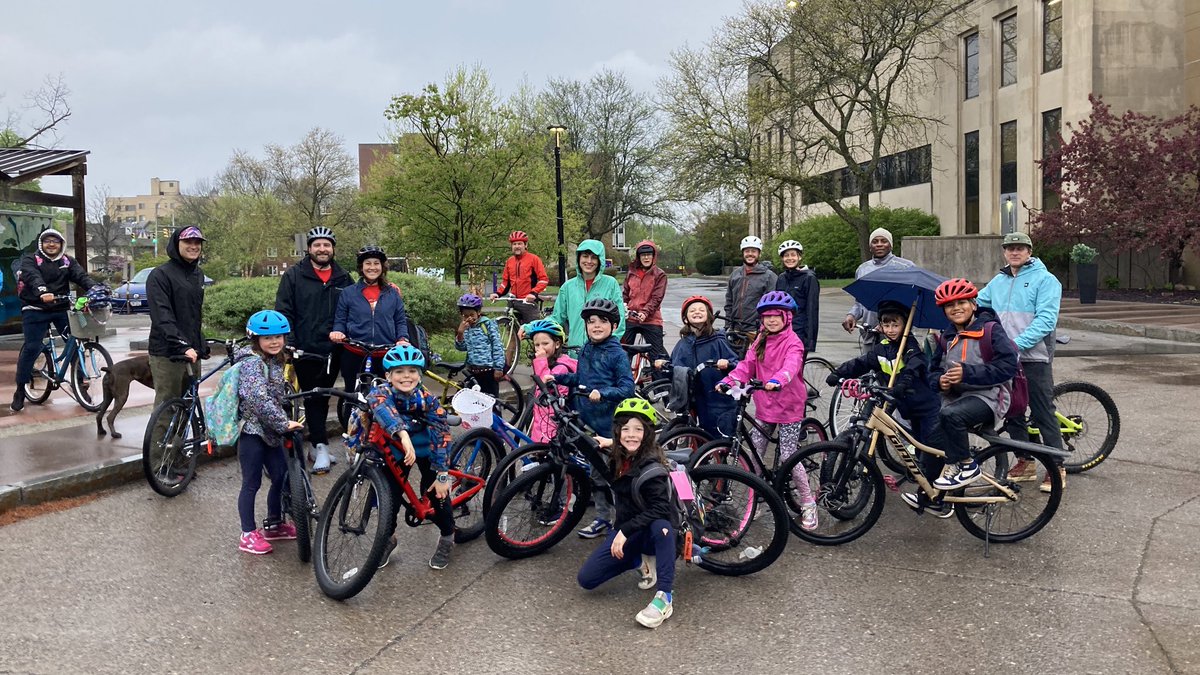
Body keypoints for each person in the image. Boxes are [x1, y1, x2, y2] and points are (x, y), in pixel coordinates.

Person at [826, 301, 949, 517]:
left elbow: (915, 365)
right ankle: (920, 471)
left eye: (896, 325)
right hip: (903, 405)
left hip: (925, 405)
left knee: (930, 448)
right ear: (880, 326)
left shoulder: (910, 346)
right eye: (886, 325)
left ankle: (938, 494)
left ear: (905, 326)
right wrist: (839, 372)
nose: (891, 329)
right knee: (916, 443)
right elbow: (862, 362)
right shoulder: (881, 348)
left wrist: (903, 383)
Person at [719, 291, 818, 530]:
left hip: (789, 405)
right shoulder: (760, 340)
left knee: (788, 456)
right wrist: (730, 380)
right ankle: (757, 500)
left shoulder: (793, 341)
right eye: (766, 317)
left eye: (776, 316)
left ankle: (807, 502)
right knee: (753, 454)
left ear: (787, 317)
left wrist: (778, 379)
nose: (771, 320)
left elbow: (791, 365)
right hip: (766, 404)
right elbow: (747, 365)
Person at [977, 231, 1066, 493]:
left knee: (1041, 411)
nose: (1014, 252)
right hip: (1005, 359)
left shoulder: (1046, 280)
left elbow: (1046, 321)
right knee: (1013, 410)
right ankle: (1024, 462)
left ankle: (1057, 466)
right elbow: (976, 304)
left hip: (1034, 357)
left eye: (1020, 248)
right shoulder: (998, 281)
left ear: (1029, 251)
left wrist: (1016, 345)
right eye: (1010, 248)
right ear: (1004, 252)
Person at [577, 398, 678, 629]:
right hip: (630, 531)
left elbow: (661, 508)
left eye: (638, 429)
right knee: (587, 579)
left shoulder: (653, 469)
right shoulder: (620, 455)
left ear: (648, 434)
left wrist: (623, 531)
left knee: (661, 526)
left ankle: (664, 597)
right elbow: (624, 445)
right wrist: (606, 443)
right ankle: (638, 559)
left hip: (651, 530)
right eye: (625, 429)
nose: (631, 435)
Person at [543, 298, 635, 539]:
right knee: (597, 474)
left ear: (614, 326)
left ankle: (620, 522)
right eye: (591, 321)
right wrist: (559, 379)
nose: (596, 326)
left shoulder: (617, 354)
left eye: (603, 321)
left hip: (609, 426)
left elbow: (627, 388)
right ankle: (604, 518)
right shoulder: (586, 349)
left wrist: (603, 393)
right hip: (587, 421)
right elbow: (581, 379)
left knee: (610, 476)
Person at [368, 344, 456, 570]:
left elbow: (442, 435)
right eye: (399, 371)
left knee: (435, 492)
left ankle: (447, 537)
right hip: (400, 450)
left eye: (412, 371)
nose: (406, 376)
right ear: (388, 375)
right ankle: (388, 539)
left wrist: (442, 474)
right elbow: (377, 401)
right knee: (390, 498)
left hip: (428, 450)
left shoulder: (428, 400)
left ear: (420, 375)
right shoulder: (383, 392)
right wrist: (402, 433)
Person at [927, 278, 1020, 491]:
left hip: (990, 397)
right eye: (950, 305)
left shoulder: (990, 330)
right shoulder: (946, 337)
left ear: (974, 305)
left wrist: (968, 373)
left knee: (951, 415)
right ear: (944, 311)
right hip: (956, 399)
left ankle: (968, 466)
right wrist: (940, 381)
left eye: (962, 302)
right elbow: (933, 372)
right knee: (931, 444)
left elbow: (1008, 366)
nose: (956, 308)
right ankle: (932, 497)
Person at [275, 226, 354, 473]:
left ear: (333, 248)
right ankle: (319, 445)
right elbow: (284, 310)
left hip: (336, 347)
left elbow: (355, 306)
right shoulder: (294, 276)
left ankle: (320, 444)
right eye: (317, 245)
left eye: (327, 245)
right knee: (313, 396)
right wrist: (291, 341)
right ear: (309, 248)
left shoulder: (343, 277)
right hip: (306, 347)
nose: (322, 249)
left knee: (328, 396)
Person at [328, 245, 410, 469]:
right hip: (356, 352)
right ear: (361, 268)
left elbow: (400, 320)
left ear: (382, 267)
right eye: (368, 264)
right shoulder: (349, 293)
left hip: (385, 353)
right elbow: (340, 319)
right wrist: (338, 332)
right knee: (353, 399)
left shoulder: (392, 293)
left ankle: (385, 440)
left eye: (376, 263)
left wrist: (402, 337)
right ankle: (353, 441)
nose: (372, 267)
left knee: (386, 398)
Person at [233, 310, 306, 555]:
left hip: (271, 432)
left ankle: (274, 524)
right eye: (268, 338)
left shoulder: (274, 361)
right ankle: (247, 534)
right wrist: (283, 424)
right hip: (253, 433)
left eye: (279, 337)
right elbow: (258, 400)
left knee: (281, 475)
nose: (274, 342)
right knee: (251, 482)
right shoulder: (252, 363)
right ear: (256, 340)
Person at [11, 229, 102, 412]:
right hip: (35, 308)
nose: (51, 244)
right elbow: (31, 276)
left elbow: (81, 276)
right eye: (47, 241)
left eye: (56, 241)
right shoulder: (31, 260)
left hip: (61, 308)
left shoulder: (67, 261)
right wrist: (42, 291)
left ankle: (79, 386)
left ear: (61, 244)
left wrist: (96, 289)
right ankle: (20, 389)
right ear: (41, 244)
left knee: (76, 342)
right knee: (32, 347)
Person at [146, 227, 209, 437]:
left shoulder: (197, 275)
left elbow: (192, 315)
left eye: (197, 242)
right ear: (176, 244)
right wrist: (181, 344)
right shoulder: (160, 275)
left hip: (191, 352)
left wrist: (200, 343)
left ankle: (178, 459)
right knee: (167, 407)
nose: (193, 246)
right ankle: (158, 465)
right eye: (188, 242)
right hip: (167, 352)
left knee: (187, 408)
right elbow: (162, 315)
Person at [655, 295, 739, 438]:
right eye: (692, 310)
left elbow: (737, 364)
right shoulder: (684, 343)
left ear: (709, 316)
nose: (697, 312)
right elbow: (674, 368)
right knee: (696, 433)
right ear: (686, 318)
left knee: (719, 433)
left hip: (716, 397)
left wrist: (727, 363)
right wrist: (664, 364)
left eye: (701, 310)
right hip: (693, 397)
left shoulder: (719, 340)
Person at [543, 239, 626, 353]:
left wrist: (610, 345)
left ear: (599, 260)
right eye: (585, 256)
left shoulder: (610, 284)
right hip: (575, 353)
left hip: (602, 354)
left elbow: (619, 319)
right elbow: (557, 318)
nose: (589, 261)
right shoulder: (568, 287)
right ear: (579, 258)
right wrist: (531, 327)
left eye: (593, 257)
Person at [841, 228, 915, 340]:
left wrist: (887, 323)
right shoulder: (863, 269)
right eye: (875, 242)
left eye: (883, 241)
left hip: (895, 335)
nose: (879, 244)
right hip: (870, 334)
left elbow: (909, 301)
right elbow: (860, 302)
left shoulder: (905, 267)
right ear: (870, 246)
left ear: (891, 245)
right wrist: (851, 315)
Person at [526, 319, 577, 444]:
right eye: (537, 345)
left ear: (557, 344)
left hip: (551, 428)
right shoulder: (548, 363)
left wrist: (541, 361)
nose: (540, 348)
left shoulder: (561, 368)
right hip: (542, 424)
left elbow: (546, 387)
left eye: (545, 343)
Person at [622, 240, 668, 363]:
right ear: (638, 257)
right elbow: (625, 294)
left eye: (649, 254)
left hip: (651, 319)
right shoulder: (631, 273)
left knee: (657, 357)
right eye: (643, 255)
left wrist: (645, 312)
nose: (646, 257)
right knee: (622, 352)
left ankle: (659, 381)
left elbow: (656, 297)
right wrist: (624, 307)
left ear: (654, 256)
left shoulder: (660, 274)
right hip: (631, 317)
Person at [490, 230, 549, 325]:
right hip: (513, 301)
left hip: (528, 301)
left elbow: (543, 279)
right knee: (511, 328)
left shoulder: (534, 259)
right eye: (514, 244)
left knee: (534, 330)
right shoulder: (510, 261)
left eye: (519, 244)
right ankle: (513, 339)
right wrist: (497, 293)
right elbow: (505, 282)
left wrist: (533, 293)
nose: (517, 246)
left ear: (525, 245)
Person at [454, 293, 505, 399]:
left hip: (488, 372)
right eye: (465, 315)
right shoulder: (466, 328)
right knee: (473, 403)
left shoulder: (487, 325)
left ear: (478, 312)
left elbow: (497, 346)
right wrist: (460, 333)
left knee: (491, 401)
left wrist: (498, 368)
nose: (469, 318)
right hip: (472, 372)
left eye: (471, 315)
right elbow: (462, 348)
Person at [724, 235, 777, 334]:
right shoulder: (735, 275)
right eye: (747, 251)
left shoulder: (769, 277)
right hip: (735, 329)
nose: (750, 254)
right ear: (743, 253)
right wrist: (728, 325)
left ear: (759, 254)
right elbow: (729, 303)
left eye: (753, 251)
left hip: (756, 330)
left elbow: (772, 306)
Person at [774, 239, 820, 353]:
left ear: (799, 257)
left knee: (794, 368)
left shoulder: (809, 278)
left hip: (799, 332)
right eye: (786, 255)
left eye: (793, 255)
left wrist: (810, 340)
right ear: (782, 258)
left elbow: (812, 310)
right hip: (782, 331)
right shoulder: (781, 278)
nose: (790, 258)